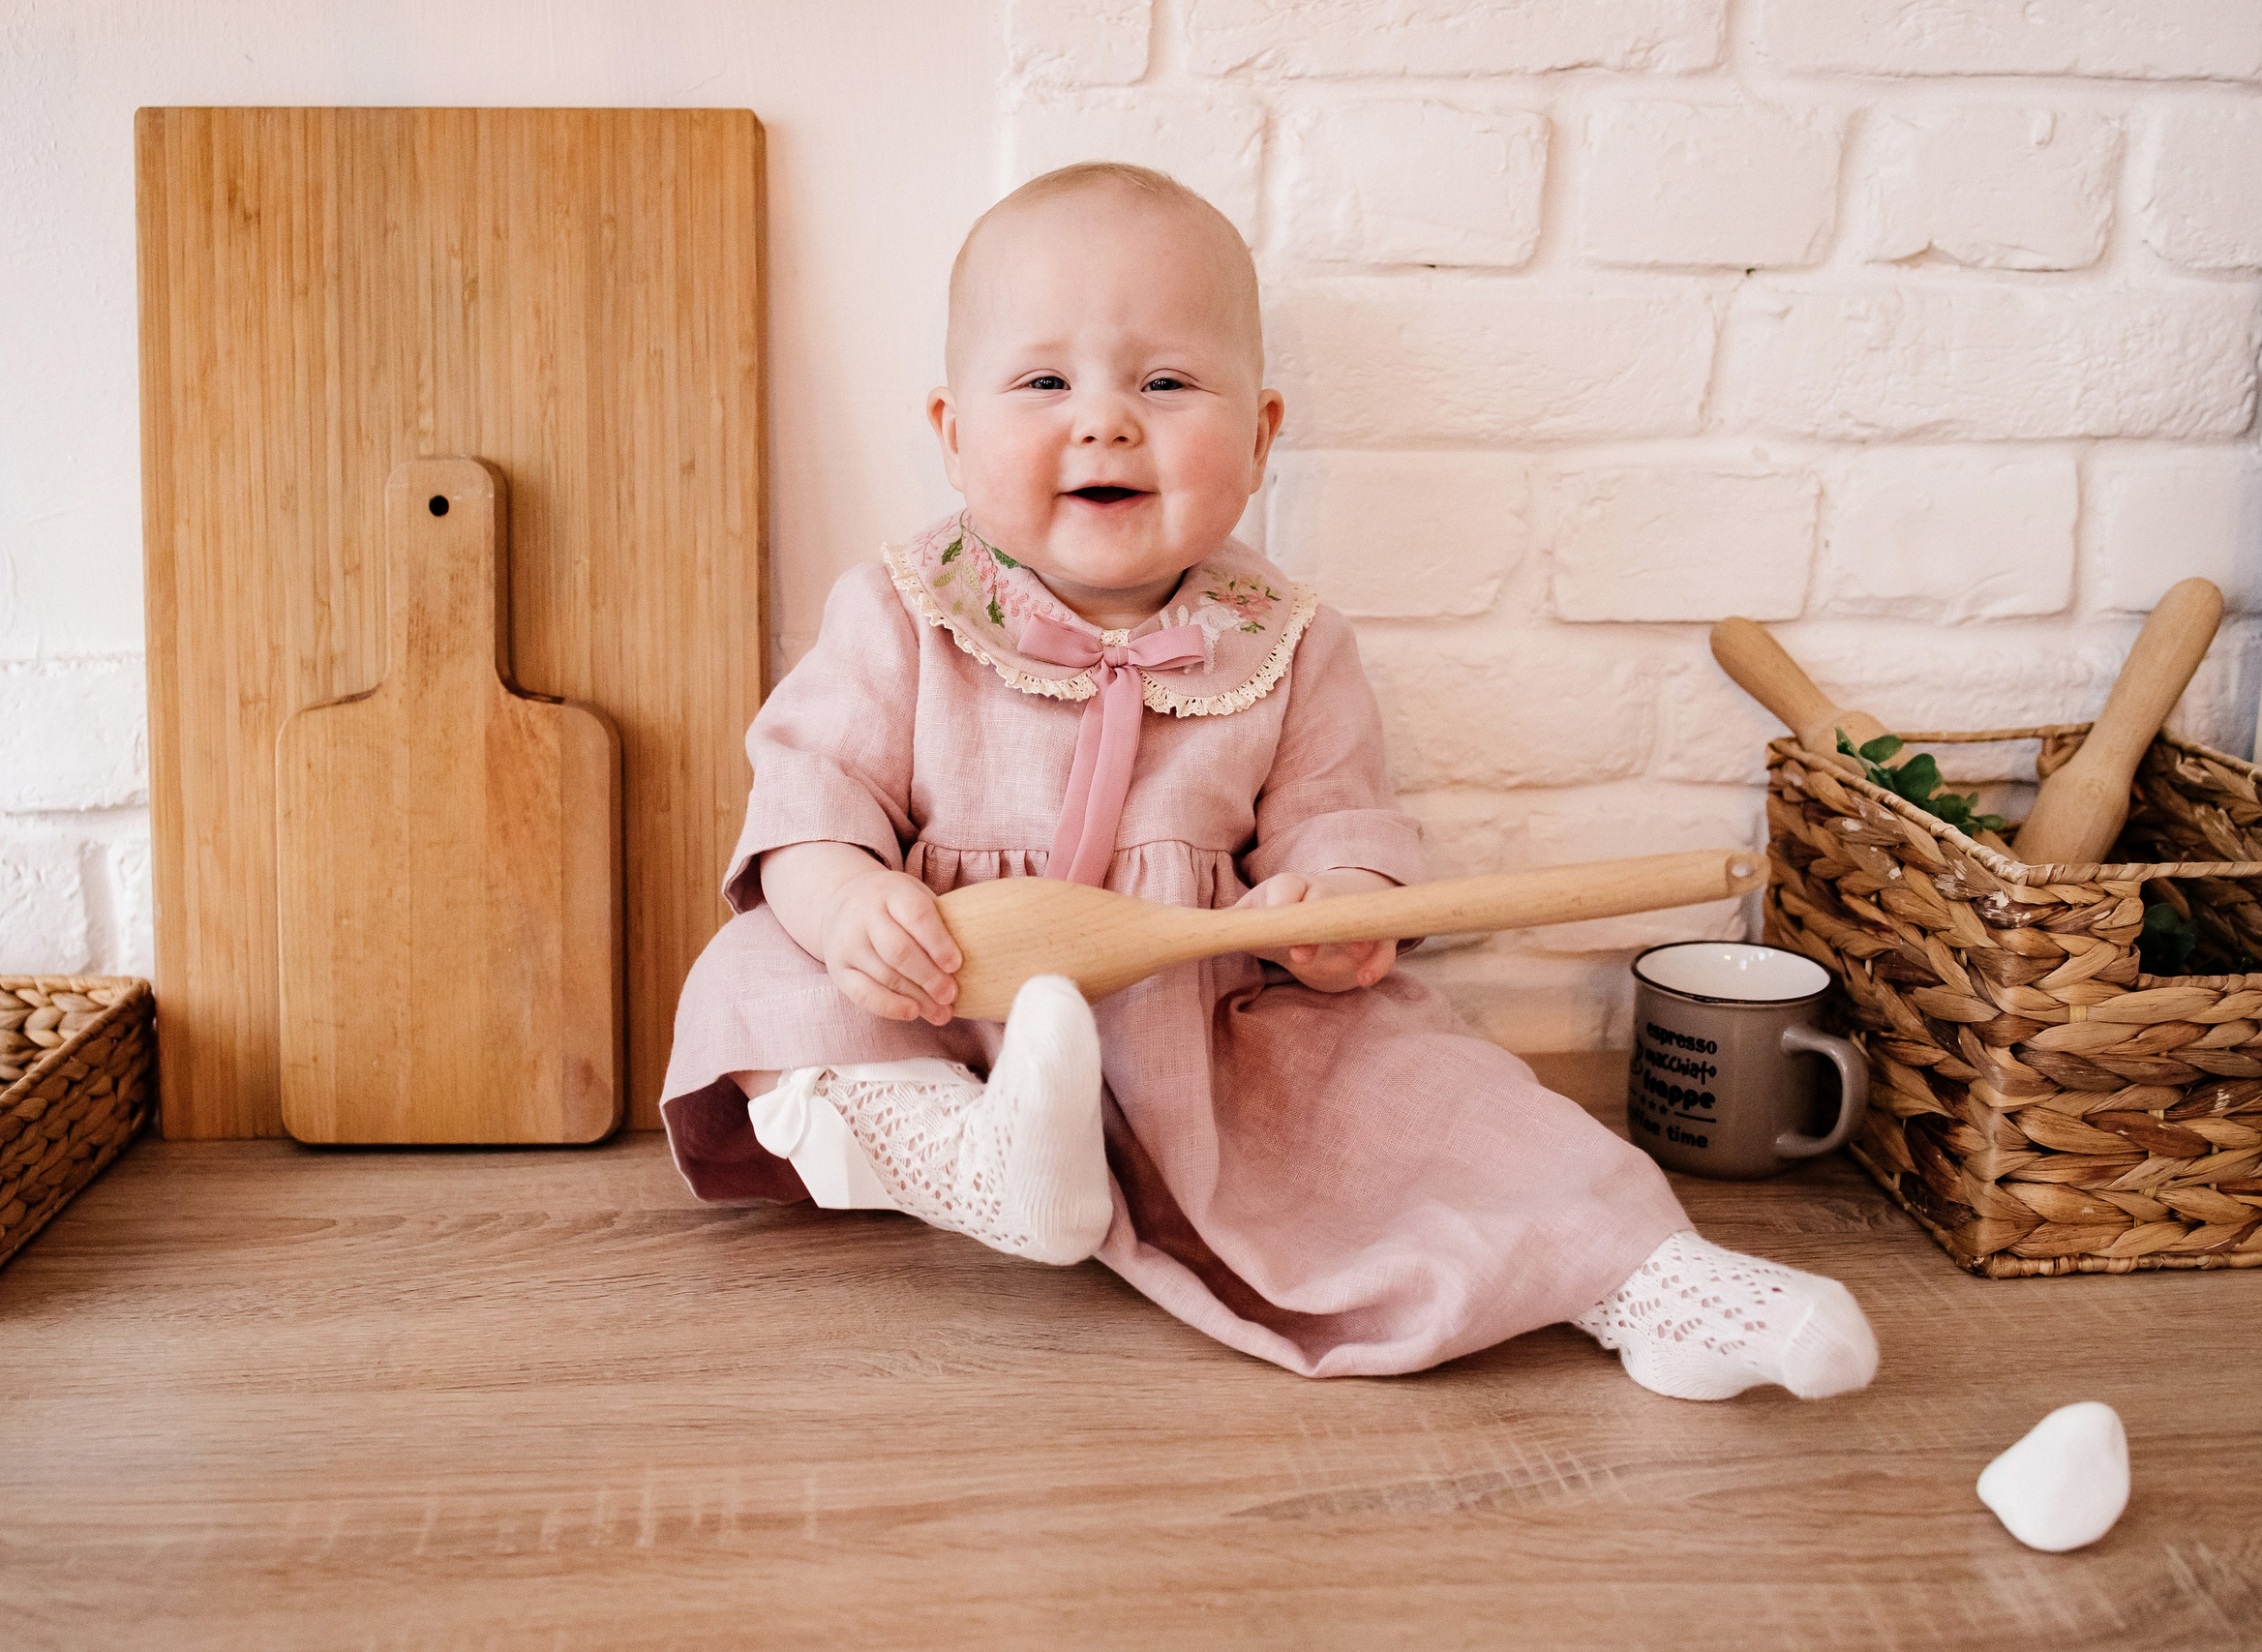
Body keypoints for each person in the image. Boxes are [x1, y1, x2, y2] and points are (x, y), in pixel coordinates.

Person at [657, 162, 1878, 1402]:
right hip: (944, 994)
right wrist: (846, 905)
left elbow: (1339, 828)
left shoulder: (1291, 642)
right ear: (952, 435)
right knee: (758, 974)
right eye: (1043, 383)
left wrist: (1333, 912)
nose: (1105, 421)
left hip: (1200, 1027)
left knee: (1430, 1085)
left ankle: (1652, 1281)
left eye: (1165, 383)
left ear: (1259, 436)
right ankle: (979, 1163)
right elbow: (809, 795)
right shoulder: (899, 611)